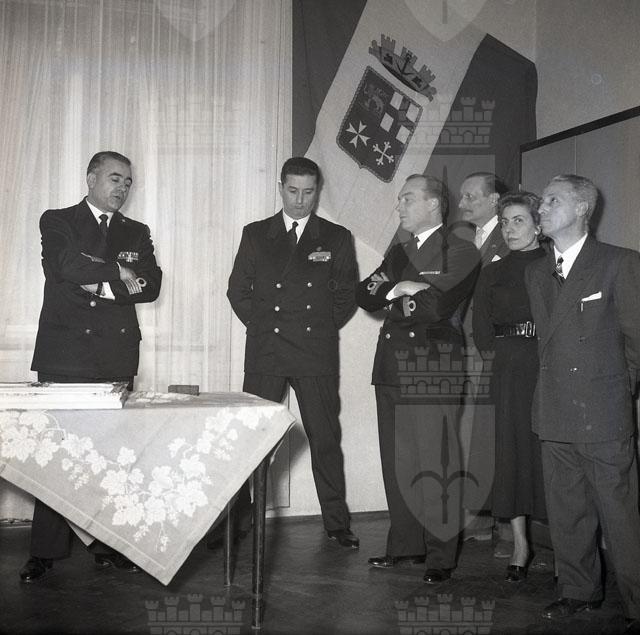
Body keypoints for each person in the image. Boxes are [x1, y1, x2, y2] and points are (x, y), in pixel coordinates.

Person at [22, 151, 162, 583]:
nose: (122, 188)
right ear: (91, 178)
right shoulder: (58, 220)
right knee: (54, 453)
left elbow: (151, 284)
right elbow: (63, 266)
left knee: (110, 456)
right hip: (64, 353)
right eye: (115, 178)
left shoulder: (136, 231)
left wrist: (100, 284)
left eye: (128, 182)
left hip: (114, 354)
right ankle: (44, 552)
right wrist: (119, 270)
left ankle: (107, 546)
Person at [525, 174, 640, 631]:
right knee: (567, 511)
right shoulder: (537, 272)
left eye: (553, 200)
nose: (542, 207)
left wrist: (613, 391)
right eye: (542, 201)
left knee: (620, 515)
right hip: (554, 410)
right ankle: (578, 590)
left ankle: (637, 602)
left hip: (603, 411)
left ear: (581, 209)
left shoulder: (619, 263)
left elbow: (637, 341)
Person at [227, 157, 359, 548]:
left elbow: (346, 295)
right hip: (267, 350)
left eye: (308, 192)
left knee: (325, 439)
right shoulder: (256, 233)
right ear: (280, 187)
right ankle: (239, 521)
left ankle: (336, 523)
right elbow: (238, 290)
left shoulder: (336, 237)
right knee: (253, 440)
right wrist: (265, 327)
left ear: (318, 191)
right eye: (293, 191)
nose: (300, 200)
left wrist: (318, 328)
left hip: (314, 352)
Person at [357, 174, 479, 584]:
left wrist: (399, 294)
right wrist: (401, 289)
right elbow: (365, 295)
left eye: (408, 198)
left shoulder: (460, 251)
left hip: (432, 368)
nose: (400, 206)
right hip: (391, 367)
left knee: (437, 462)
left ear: (433, 204)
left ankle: (441, 555)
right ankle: (406, 545)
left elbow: (436, 306)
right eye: (399, 199)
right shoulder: (398, 253)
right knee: (399, 461)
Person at [471, 191, 547, 582]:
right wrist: (501, 356)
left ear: (538, 224)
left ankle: (567, 547)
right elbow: (481, 328)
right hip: (505, 370)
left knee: (548, 452)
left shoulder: (556, 265)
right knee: (510, 453)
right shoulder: (492, 271)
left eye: (519, 220)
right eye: (505, 222)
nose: (510, 229)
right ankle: (520, 544)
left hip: (547, 366)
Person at [458, 173, 512, 552]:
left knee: (498, 433)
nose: (462, 204)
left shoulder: (510, 239)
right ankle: (479, 518)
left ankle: (507, 529)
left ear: (494, 200)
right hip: (466, 347)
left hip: (495, 349)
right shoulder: (468, 243)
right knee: (472, 434)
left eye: (470, 196)